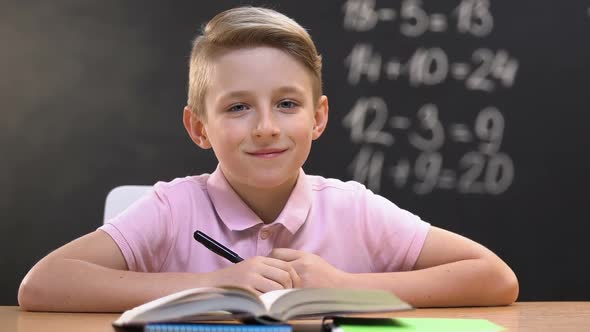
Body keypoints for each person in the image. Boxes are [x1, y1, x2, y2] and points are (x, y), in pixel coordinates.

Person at [18, 6, 518, 312]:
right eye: (237, 107)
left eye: (287, 104)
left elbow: (495, 277)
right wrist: (211, 285)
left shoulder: (353, 209)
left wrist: (347, 287)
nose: (265, 127)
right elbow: (41, 287)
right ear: (199, 128)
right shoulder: (171, 209)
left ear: (318, 118)